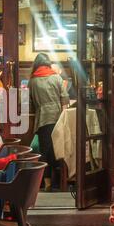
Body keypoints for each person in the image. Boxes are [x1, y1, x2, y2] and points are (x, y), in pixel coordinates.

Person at [28, 53, 69, 191]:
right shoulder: (57, 77)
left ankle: (47, 183)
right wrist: (64, 115)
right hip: (57, 117)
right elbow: (64, 98)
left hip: (42, 119)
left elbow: (30, 102)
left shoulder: (32, 81)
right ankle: (57, 182)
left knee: (45, 150)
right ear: (48, 64)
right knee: (58, 149)